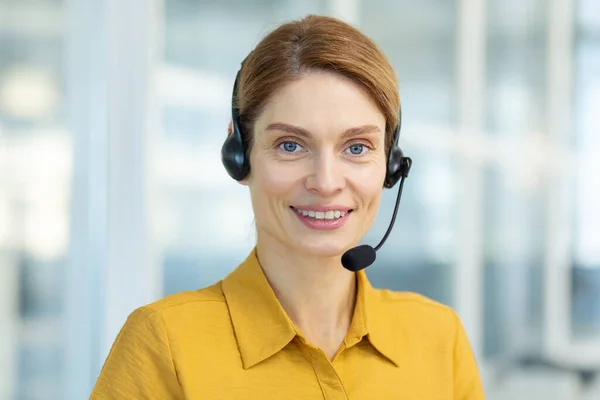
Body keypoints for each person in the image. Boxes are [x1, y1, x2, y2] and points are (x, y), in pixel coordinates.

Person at [90, 14, 485, 399]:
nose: (326, 182)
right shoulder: (165, 343)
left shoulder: (438, 337)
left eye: (357, 147)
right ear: (239, 154)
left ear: (391, 164)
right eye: (291, 145)